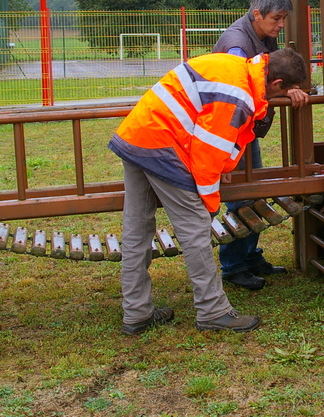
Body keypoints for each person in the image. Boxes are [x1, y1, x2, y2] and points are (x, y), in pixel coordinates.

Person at [109, 48, 308, 335]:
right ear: (276, 83)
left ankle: (137, 313)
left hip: (138, 135)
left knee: (137, 230)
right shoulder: (236, 94)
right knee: (196, 231)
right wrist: (209, 203)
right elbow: (207, 155)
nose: (274, 100)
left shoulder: (237, 68)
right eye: (280, 94)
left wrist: (223, 167)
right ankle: (213, 311)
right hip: (163, 147)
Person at [212, 0, 310, 291]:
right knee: (243, 197)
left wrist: (289, 87)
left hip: (244, 128)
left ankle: (249, 257)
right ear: (257, 14)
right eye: (277, 19)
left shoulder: (262, 36)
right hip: (231, 127)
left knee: (253, 191)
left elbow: (272, 77)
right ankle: (234, 266)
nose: (281, 25)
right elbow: (237, 95)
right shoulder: (237, 46)